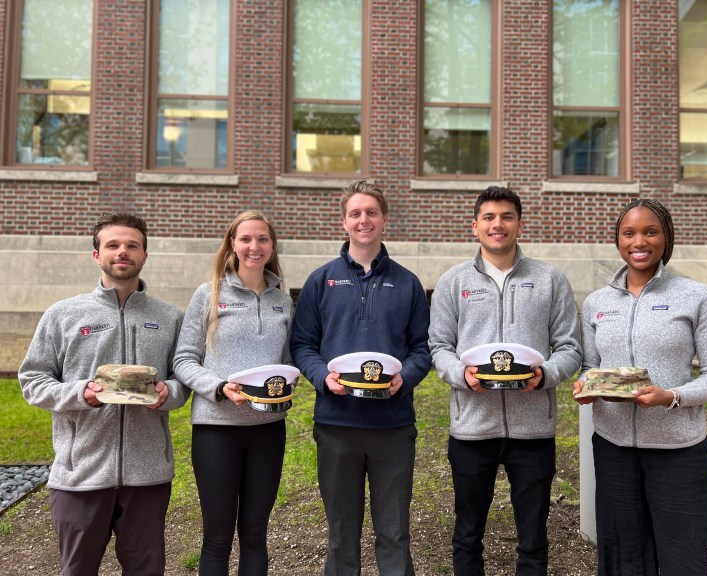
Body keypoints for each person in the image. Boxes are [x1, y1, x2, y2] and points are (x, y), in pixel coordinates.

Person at [18, 212, 187, 576]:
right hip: (80, 474)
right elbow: (32, 380)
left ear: (145, 254)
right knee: (77, 570)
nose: (122, 252)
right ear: (96, 255)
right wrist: (82, 394)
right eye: (112, 245)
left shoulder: (170, 318)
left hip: (148, 475)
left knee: (146, 570)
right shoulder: (63, 315)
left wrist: (166, 393)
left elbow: (183, 379)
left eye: (132, 245)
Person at [573, 199, 707, 576]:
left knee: (682, 558)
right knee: (622, 556)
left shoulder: (697, 297)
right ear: (618, 240)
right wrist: (586, 386)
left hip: (678, 450)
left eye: (650, 231)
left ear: (666, 238)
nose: (638, 241)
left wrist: (672, 397)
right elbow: (590, 367)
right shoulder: (597, 303)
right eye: (629, 233)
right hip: (613, 449)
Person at [429, 186, 582, 576]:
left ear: (520, 224)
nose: (498, 225)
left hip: (533, 430)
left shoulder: (550, 279)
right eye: (490, 217)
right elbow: (439, 346)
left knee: (533, 536)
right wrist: (459, 376)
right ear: (475, 226)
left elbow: (570, 347)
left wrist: (546, 374)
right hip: (472, 426)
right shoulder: (452, 281)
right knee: (467, 532)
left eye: (507, 217)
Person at [290, 180, 431, 576]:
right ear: (344, 221)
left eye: (371, 212)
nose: (363, 220)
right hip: (337, 424)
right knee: (340, 532)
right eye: (355, 213)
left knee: (395, 532)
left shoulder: (407, 283)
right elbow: (302, 344)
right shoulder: (321, 281)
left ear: (384, 219)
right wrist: (322, 378)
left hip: (393, 426)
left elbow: (423, 347)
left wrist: (408, 377)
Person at [173, 210, 294, 576]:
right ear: (232, 245)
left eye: (262, 239)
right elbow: (183, 359)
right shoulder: (208, 294)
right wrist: (219, 388)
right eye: (246, 239)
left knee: (256, 535)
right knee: (218, 538)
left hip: (268, 430)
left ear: (271, 247)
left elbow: (286, 360)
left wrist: (288, 386)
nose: (254, 246)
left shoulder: (283, 301)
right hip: (216, 429)